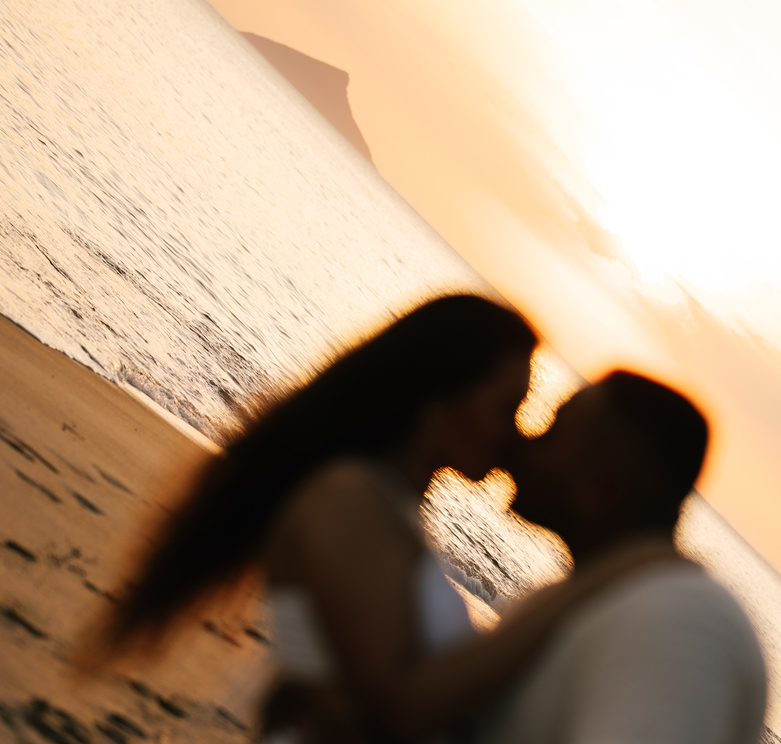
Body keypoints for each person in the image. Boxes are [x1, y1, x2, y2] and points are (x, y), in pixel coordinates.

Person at [75, 295, 655, 743]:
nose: (516, 433)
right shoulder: (344, 496)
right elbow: (401, 702)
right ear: (440, 395)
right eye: (506, 408)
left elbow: (339, 662)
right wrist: (585, 588)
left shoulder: (388, 509)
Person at [474, 371, 768, 744]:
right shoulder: (588, 600)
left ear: (598, 488)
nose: (522, 442)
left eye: (552, 433)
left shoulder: (680, 620)